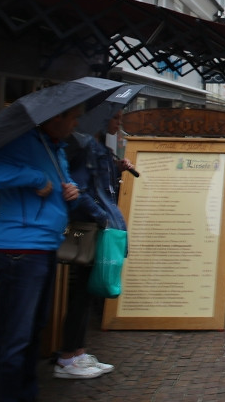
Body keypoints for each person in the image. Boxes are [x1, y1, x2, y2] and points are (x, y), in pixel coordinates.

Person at [0, 104, 84, 402]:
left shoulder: (57, 148)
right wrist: (35, 178)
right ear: (55, 116)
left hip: (44, 246)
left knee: (33, 331)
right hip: (20, 248)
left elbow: (61, 187)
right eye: (73, 117)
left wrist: (72, 192)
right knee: (16, 336)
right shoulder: (21, 143)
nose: (76, 124)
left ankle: (25, 394)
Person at [55, 109, 135, 380]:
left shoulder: (98, 147)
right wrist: (101, 217)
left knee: (86, 291)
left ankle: (77, 352)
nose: (119, 122)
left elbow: (98, 184)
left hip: (98, 223)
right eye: (115, 117)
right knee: (80, 291)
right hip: (90, 228)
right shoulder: (88, 146)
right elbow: (81, 189)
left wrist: (115, 169)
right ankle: (68, 356)